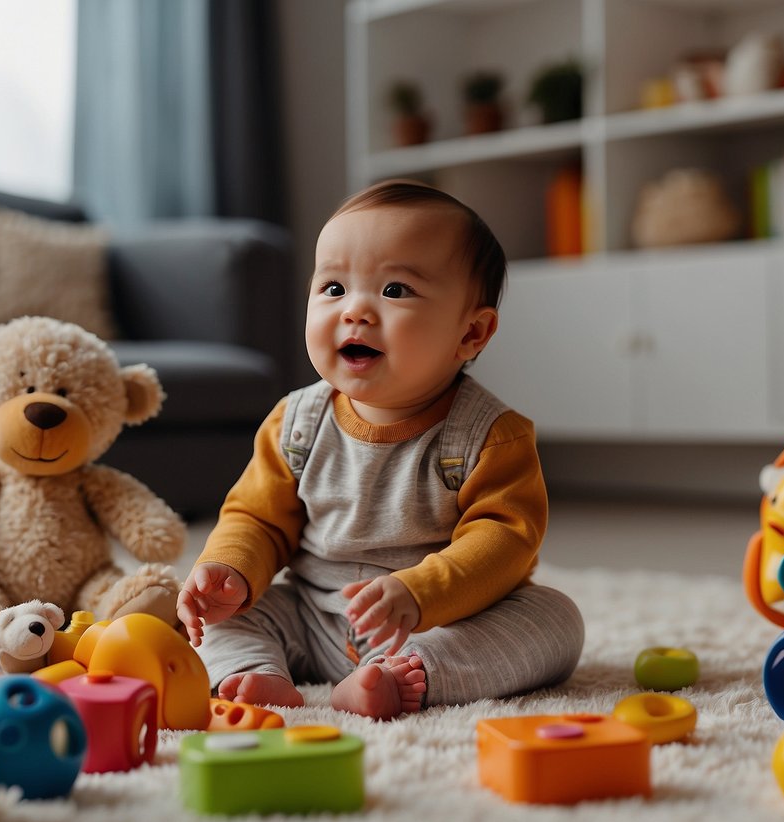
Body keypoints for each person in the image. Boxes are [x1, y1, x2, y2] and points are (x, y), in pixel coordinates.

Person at [177, 180, 584, 719]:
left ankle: (406, 677)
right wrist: (228, 570)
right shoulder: (295, 423)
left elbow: (505, 541)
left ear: (472, 332)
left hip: (439, 625)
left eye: (395, 291)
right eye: (333, 288)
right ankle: (253, 674)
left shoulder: (489, 435)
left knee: (554, 620)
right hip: (312, 617)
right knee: (217, 619)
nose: (355, 312)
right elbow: (256, 518)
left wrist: (419, 595)